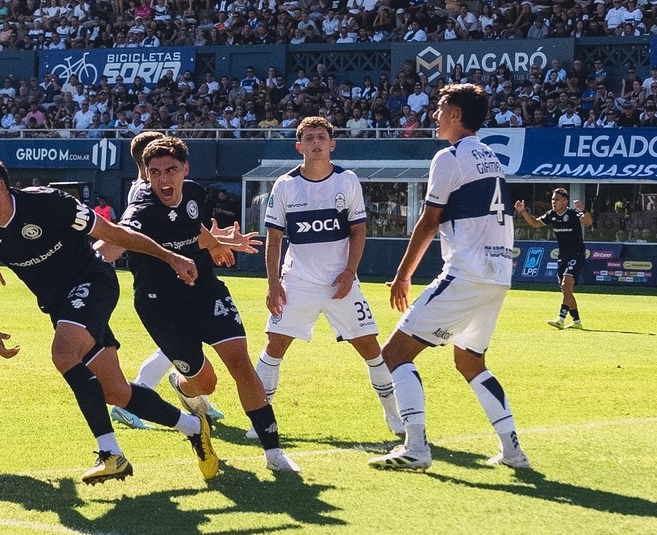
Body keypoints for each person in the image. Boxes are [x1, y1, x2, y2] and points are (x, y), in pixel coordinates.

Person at [0, 155, 219, 485]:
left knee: (63, 354)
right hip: (61, 307)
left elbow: (113, 233)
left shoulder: (50, 203)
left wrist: (170, 257)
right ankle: (193, 427)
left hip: (93, 282)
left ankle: (110, 454)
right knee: (116, 392)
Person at [369, 83, 530, 471]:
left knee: (393, 355)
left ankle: (416, 447)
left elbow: (429, 220)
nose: (435, 114)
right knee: (471, 362)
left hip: (467, 272)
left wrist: (403, 275)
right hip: (497, 276)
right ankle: (512, 450)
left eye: (440, 108)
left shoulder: (450, 156)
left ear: (456, 115)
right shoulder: (489, 156)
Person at [117, 137, 301, 473]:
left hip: (205, 291)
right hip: (161, 305)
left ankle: (273, 452)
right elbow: (119, 238)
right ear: (145, 172)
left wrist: (217, 244)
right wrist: (94, 261)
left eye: (171, 170)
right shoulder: (141, 206)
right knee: (206, 383)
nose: (163, 179)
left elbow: (192, 227)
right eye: (155, 172)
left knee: (241, 364)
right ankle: (182, 385)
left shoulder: (194, 194)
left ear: (185, 169)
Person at [257, 117, 404, 441]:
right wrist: (273, 283)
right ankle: (261, 420)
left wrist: (350, 272)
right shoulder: (285, 185)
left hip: (341, 282)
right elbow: (274, 239)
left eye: (321, 137)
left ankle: (394, 415)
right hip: (297, 281)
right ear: (299, 146)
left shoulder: (347, 181)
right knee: (274, 345)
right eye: (309, 138)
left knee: (370, 347)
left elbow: (359, 230)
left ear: (332, 144)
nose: (316, 143)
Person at [108, 131, 225, 430]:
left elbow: (187, 225)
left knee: (185, 346)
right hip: (160, 285)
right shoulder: (143, 194)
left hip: (182, 279)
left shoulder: (161, 189)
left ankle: (194, 397)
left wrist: (216, 242)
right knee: (176, 347)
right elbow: (125, 237)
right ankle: (132, 402)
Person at [515, 189, 592, 329]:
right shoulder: (552, 215)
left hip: (577, 255)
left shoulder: (572, 213)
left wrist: (583, 210)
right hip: (563, 256)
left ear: (565, 201)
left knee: (566, 284)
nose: (553, 202)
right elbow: (535, 223)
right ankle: (577, 322)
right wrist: (523, 211)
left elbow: (588, 221)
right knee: (566, 290)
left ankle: (561, 319)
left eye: (556, 199)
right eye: (552, 199)